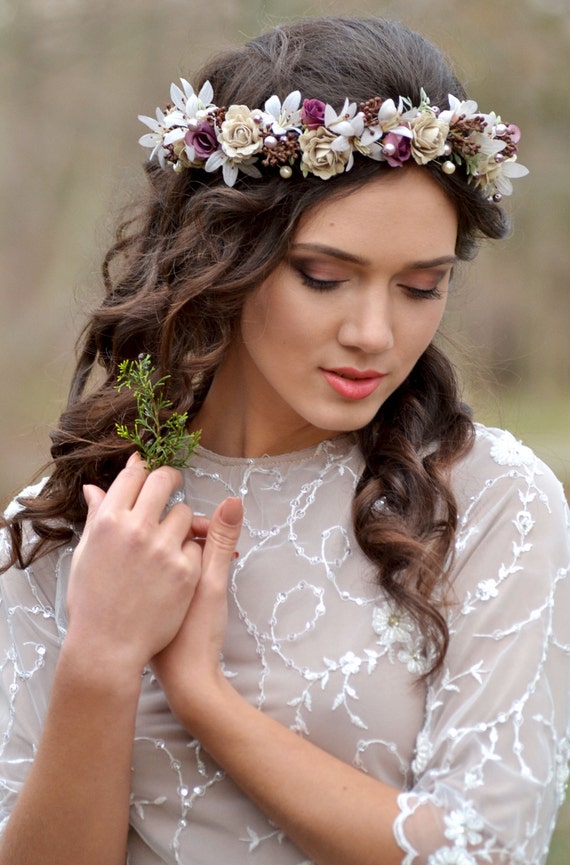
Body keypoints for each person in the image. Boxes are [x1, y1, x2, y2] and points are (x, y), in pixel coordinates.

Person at [0, 15, 568, 865]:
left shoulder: (492, 504)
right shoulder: (74, 524)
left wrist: (202, 695)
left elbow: (486, 851)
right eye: (325, 277)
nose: (374, 332)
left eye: (422, 286)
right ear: (221, 252)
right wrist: (103, 661)